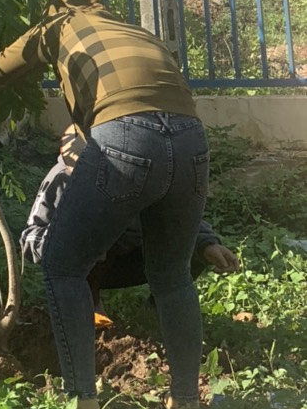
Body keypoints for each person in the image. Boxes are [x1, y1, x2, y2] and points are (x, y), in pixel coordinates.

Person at [0, 0, 210, 409]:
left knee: (63, 266)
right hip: (192, 138)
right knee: (172, 275)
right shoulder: (135, 31)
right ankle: (187, 399)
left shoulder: (58, 25)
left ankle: (82, 401)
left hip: (126, 134)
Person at [22, 126, 238, 327]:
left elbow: (175, 218)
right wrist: (71, 241)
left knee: (188, 247)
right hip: (83, 266)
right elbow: (30, 238)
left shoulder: (141, 175)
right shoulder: (61, 180)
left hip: (131, 258)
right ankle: (90, 307)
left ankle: (158, 310)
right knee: (92, 237)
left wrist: (206, 244)